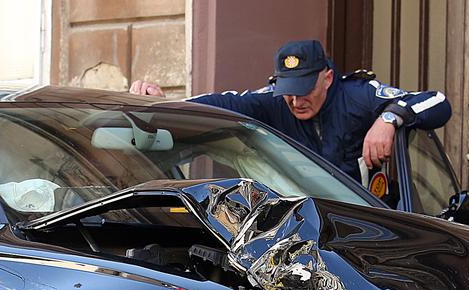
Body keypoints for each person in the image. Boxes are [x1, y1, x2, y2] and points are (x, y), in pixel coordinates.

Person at [130, 39, 451, 184]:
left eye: (304, 91)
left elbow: (436, 101)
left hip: (365, 227)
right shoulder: (272, 101)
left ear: (327, 78)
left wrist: (389, 118)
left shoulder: (358, 96)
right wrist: (164, 105)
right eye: (289, 92)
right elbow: (220, 104)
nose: (296, 101)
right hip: (301, 226)